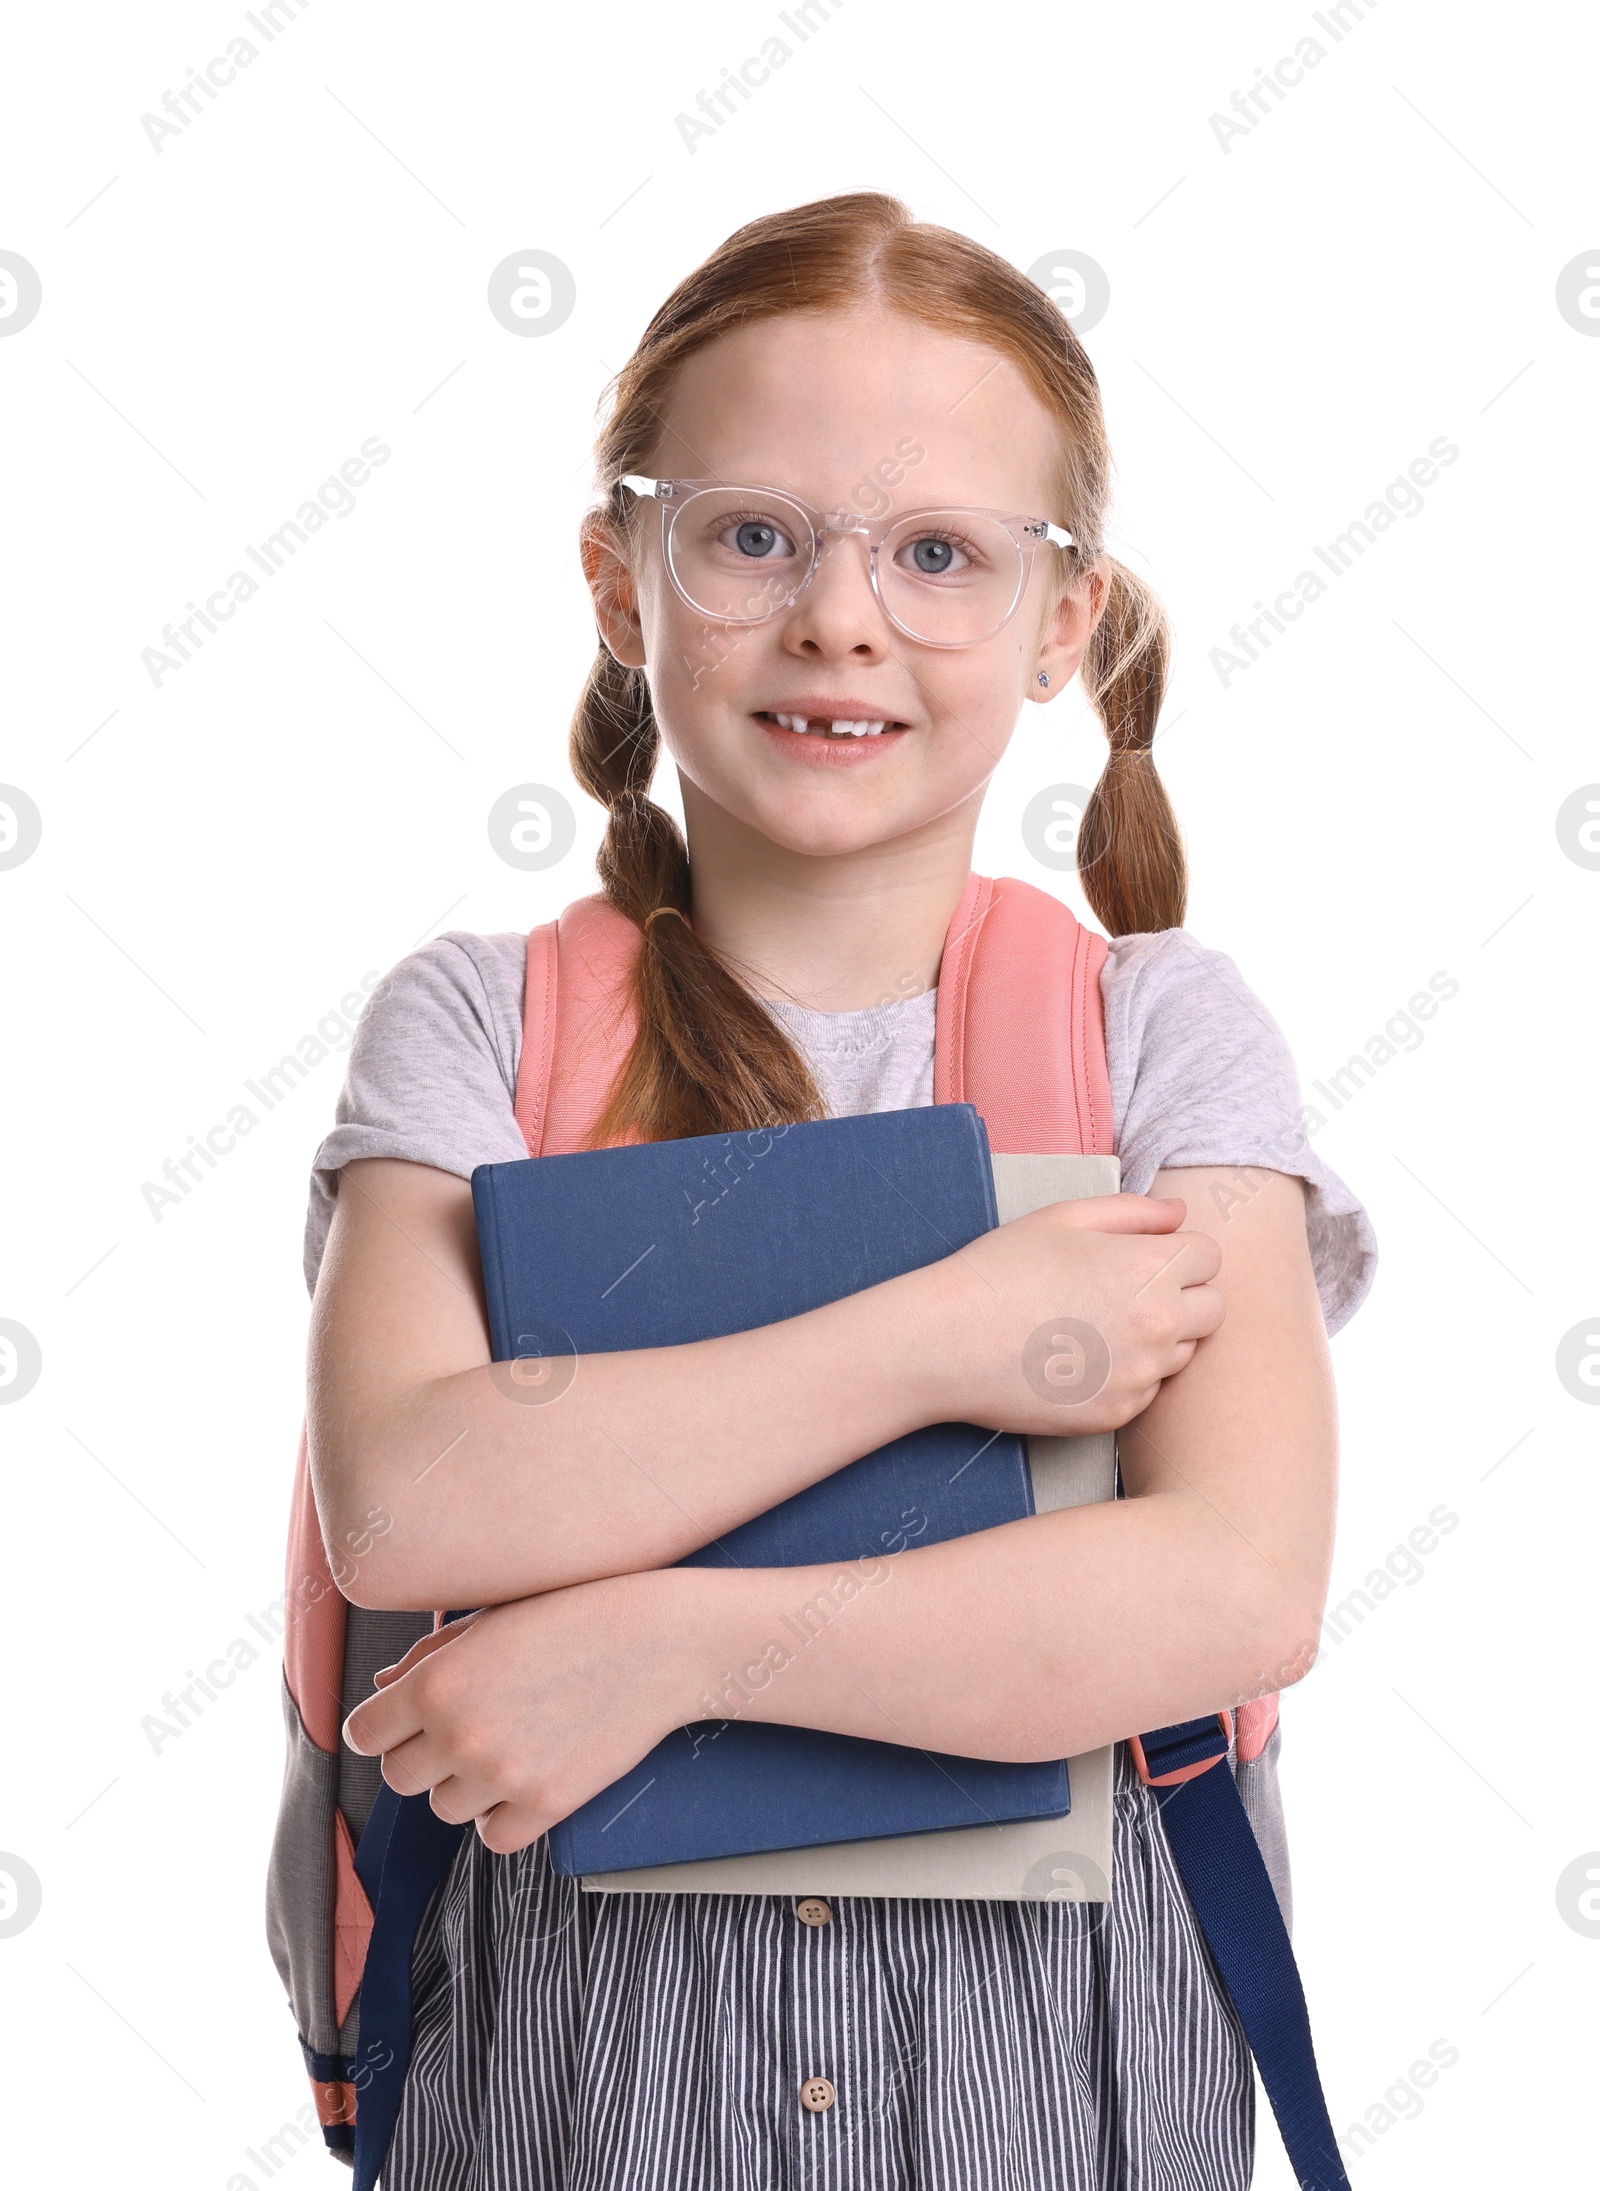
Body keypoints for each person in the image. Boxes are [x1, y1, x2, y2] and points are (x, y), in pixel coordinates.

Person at [304, 191, 1376, 2189]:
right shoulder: (481, 1028)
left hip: (1050, 2104)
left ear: (1061, 623)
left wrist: (666, 1646)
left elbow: (1227, 1584)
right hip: (581, 2104)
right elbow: (413, 1498)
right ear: (623, 579)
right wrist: (945, 1336)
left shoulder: (1157, 1035)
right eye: (750, 534)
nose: (837, 618)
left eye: (938, 554)